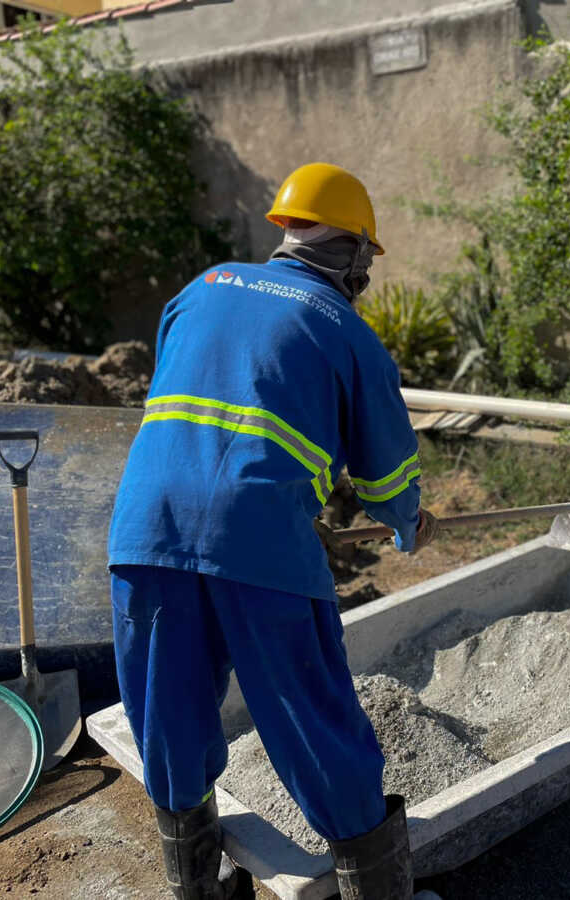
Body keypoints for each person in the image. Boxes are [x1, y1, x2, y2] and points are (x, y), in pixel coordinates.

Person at [107, 162, 440, 900]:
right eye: (367, 262)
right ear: (354, 253)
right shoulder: (344, 331)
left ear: (287, 231)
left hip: (144, 531)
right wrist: (408, 522)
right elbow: (387, 477)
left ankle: (198, 889)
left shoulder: (201, 290)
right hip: (259, 545)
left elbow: (197, 407)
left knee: (170, 713)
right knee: (312, 719)